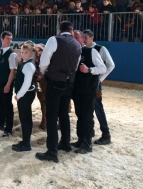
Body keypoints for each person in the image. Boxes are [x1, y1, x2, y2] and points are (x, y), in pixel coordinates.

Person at [35, 21, 81, 163]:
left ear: (60, 31)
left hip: (55, 82)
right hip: (69, 83)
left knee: (52, 116)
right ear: (72, 31)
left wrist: (42, 73)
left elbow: (44, 60)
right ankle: (65, 143)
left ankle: (52, 151)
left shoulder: (54, 39)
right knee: (64, 114)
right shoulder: (77, 44)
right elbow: (77, 63)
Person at [71, 30, 106, 154]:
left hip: (89, 90)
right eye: (73, 37)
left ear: (82, 40)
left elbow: (103, 68)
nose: (75, 39)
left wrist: (89, 69)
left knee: (87, 117)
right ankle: (81, 140)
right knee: (80, 116)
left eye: (77, 37)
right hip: (77, 90)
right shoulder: (74, 52)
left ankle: (87, 144)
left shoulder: (92, 51)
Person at [83, 29, 115, 145]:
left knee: (98, 108)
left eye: (85, 37)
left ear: (92, 37)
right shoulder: (83, 49)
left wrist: (100, 79)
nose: (84, 39)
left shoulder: (100, 49)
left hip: (95, 84)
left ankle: (106, 134)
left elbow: (111, 65)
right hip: (86, 84)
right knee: (88, 108)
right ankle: (90, 130)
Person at [12, 41, 37, 152]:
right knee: (25, 118)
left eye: (26, 52)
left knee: (25, 119)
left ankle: (26, 144)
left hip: (25, 95)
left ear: (31, 53)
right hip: (25, 95)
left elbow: (26, 83)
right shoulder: (27, 63)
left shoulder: (29, 65)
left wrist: (19, 95)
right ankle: (25, 141)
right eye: (22, 52)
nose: (23, 54)